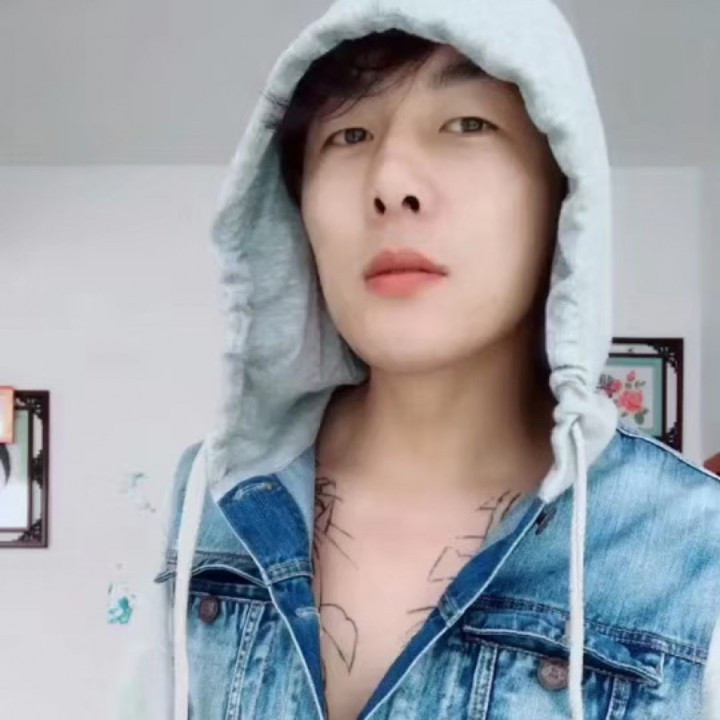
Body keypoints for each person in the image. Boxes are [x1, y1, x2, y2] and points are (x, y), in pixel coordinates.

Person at [116, 1, 720, 719]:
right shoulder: (211, 499)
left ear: (564, 192)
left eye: (467, 124)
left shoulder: (698, 552)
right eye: (348, 134)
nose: (390, 182)